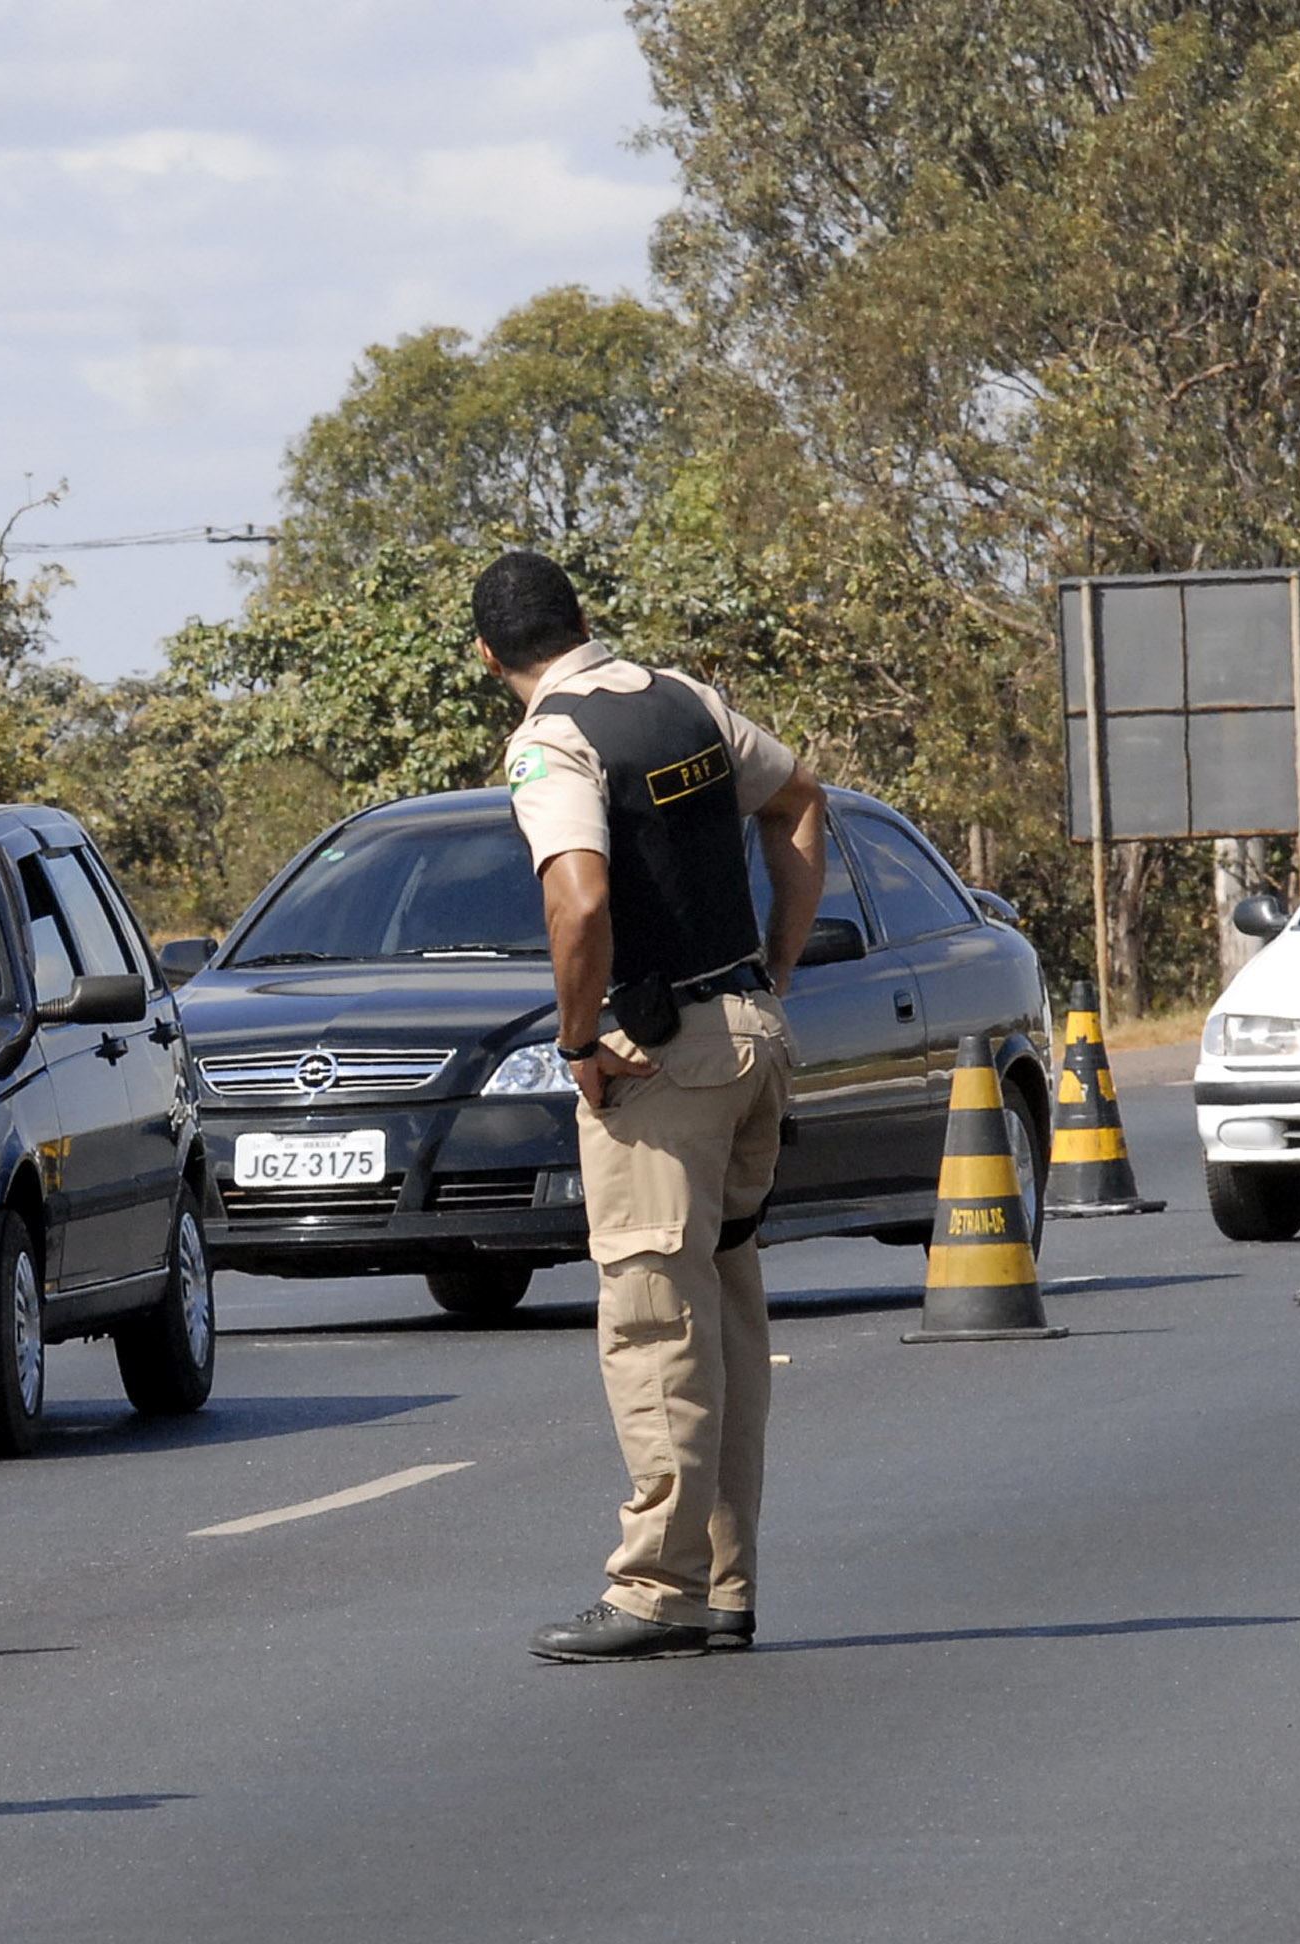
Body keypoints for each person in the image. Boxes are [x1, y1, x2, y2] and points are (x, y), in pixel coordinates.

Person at [474, 549, 828, 1663]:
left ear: (490, 658)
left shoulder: (553, 741)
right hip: (749, 1036)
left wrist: (579, 1041)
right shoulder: (686, 699)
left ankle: (656, 1590)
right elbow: (802, 803)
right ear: (581, 623)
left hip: (658, 1060)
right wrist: (773, 967)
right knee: (720, 1308)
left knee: (652, 1321)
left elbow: (577, 901)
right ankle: (724, 1580)